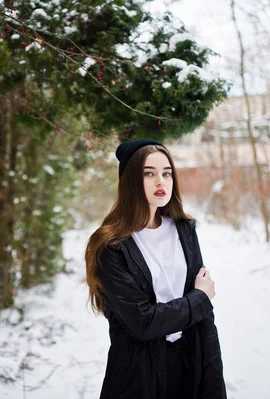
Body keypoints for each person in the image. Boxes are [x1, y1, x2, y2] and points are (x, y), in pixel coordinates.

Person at [84, 139, 226, 399]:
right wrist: (200, 298)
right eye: (149, 173)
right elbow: (144, 321)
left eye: (167, 173)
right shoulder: (112, 246)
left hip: (189, 362)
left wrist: (212, 377)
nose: (161, 181)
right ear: (130, 181)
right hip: (140, 374)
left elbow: (206, 319)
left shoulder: (184, 230)